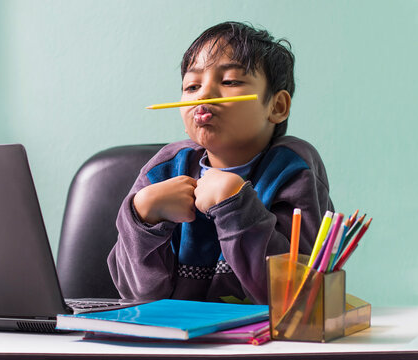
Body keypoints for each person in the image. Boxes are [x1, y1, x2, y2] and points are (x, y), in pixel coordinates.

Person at [107, 21, 334, 305]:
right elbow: (138, 297)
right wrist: (142, 216)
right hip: (173, 344)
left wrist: (235, 207)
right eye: (192, 86)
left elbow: (297, 297)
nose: (203, 94)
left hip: (261, 345)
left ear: (276, 107)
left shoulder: (292, 169)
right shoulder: (163, 169)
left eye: (229, 81)